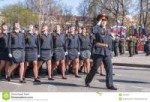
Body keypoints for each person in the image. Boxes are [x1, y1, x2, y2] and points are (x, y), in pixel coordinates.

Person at [85, 14, 117, 90]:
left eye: (105, 20)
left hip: (107, 52)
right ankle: (87, 80)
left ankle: (110, 84)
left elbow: (110, 41)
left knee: (109, 68)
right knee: (95, 68)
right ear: (99, 21)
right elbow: (93, 31)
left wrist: (110, 49)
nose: (104, 22)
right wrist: (97, 24)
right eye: (102, 20)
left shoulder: (108, 30)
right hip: (99, 52)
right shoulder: (97, 29)